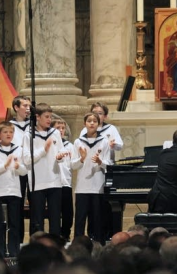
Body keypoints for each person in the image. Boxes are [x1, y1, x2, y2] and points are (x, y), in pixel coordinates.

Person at [79, 102, 123, 239]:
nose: (96, 116)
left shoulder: (111, 129)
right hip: (90, 171)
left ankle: (106, 234)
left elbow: (120, 145)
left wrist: (112, 144)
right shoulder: (84, 131)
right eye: (94, 113)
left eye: (99, 113)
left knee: (104, 205)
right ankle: (92, 234)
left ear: (104, 116)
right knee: (91, 207)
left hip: (106, 168)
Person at [22, 103, 64, 236]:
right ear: (37, 117)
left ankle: (55, 245)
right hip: (37, 182)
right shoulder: (28, 135)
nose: (49, 120)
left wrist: (60, 157)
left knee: (55, 217)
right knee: (37, 219)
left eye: (50, 117)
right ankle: (38, 246)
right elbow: (27, 159)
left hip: (54, 180)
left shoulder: (55, 133)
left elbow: (61, 151)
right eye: (46, 116)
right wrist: (43, 150)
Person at [0, 121, 28, 257]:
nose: (8, 134)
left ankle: (14, 251)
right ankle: (0, 251)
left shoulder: (18, 149)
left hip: (14, 191)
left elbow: (24, 172)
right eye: (5, 132)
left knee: (14, 223)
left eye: (11, 132)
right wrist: (4, 166)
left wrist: (19, 167)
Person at [71, 112, 111, 244]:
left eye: (95, 121)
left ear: (99, 124)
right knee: (80, 219)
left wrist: (100, 162)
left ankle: (99, 244)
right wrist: (82, 159)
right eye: (89, 121)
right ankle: (78, 245)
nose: (92, 123)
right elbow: (73, 165)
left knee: (97, 219)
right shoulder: (78, 142)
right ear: (85, 124)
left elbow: (109, 165)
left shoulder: (104, 142)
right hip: (82, 187)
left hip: (97, 187)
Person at [10, 95, 32, 243]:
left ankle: (34, 237)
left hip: (32, 167)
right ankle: (16, 238)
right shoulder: (9, 126)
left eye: (29, 106)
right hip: (17, 167)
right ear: (16, 108)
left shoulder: (34, 125)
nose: (28, 108)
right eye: (24, 105)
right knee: (17, 203)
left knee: (35, 203)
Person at [52, 116, 75, 242]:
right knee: (54, 211)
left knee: (67, 212)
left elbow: (73, 164)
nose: (61, 130)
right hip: (54, 183)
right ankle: (55, 234)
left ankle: (66, 234)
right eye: (57, 128)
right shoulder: (50, 144)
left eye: (62, 128)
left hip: (66, 182)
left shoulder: (69, 146)